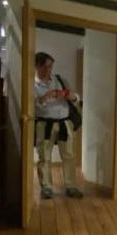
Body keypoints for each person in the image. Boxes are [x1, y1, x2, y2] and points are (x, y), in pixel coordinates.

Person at [34, 52, 83, 199]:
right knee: (44, 156)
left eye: (51, 66)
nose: (49, 70)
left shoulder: (60, 80)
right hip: (44, 124)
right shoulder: (32, 84)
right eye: (45, 66)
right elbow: (31, 107)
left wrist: (69, 95)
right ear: (37, 66)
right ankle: (46, 187)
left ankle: (71, 186)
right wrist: (44, 97)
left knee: (69, 155)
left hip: (64, 122)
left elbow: (76, 98)